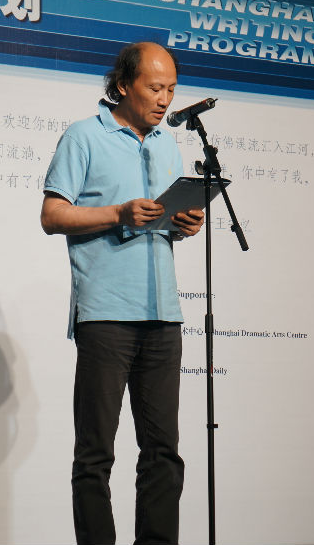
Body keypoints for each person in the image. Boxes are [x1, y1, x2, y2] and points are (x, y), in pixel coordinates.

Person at [40, 41, 205, 545]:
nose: (165, 99)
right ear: (123, 85)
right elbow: (52, 215)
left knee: (163, 452)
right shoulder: (84, 136)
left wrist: (182, 224)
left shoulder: (166, 144)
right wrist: (118, 212)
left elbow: (161, 223)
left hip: (163, 313)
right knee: (96, 454)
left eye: (171, 89)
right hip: (106, 315)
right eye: (155, 88)